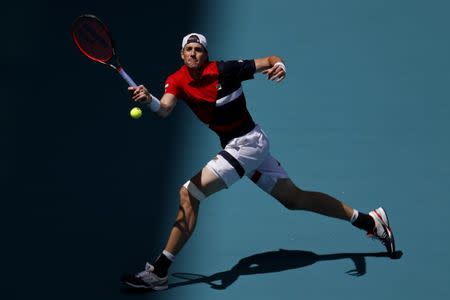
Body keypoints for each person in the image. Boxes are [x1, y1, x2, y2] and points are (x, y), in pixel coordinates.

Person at [121, 33, 395, 290]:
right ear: (182, 54)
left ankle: (159, 271)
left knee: (190, 192)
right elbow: (165, 109)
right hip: (239, 146)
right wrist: (149, 100)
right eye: (189, 49)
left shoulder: (226, 70)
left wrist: (281, 66)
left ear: (206, 54)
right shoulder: (177, 80)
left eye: (199, 50)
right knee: (294, 199)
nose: (193, 53)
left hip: (248, 144)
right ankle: (369, 221)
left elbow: (271, 60)